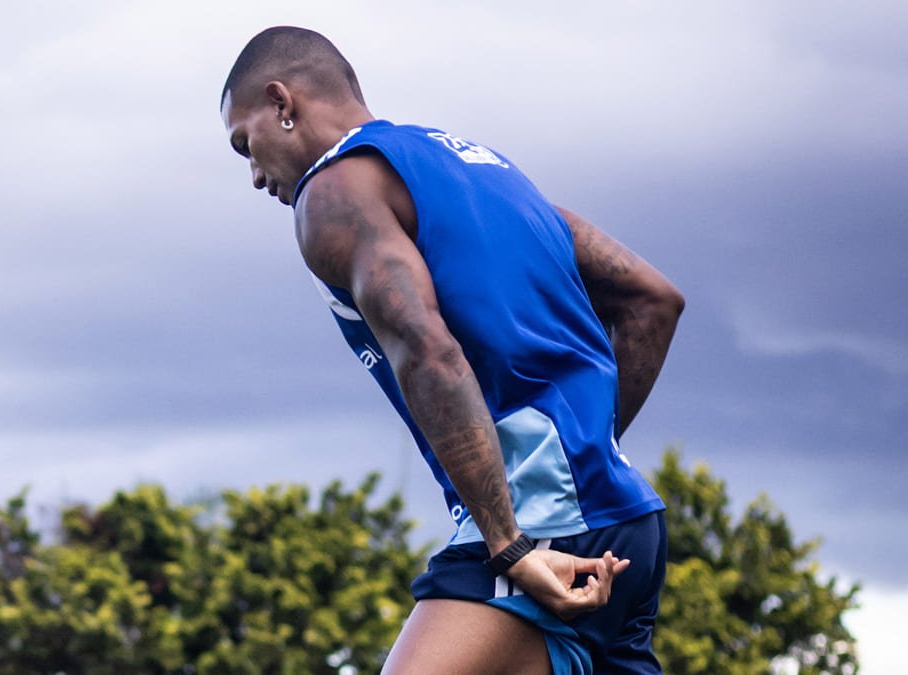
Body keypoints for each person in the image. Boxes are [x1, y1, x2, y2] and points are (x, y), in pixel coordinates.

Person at [220, 26, 684, 674]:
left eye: (246, 142)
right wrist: (586, 450)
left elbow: (425, 348)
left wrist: (510, 544)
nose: (252, 173)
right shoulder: (486, 171)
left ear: (282, 103)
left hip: (543, 516)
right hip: (623, 515)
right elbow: (652, 299)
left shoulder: (331, 194)